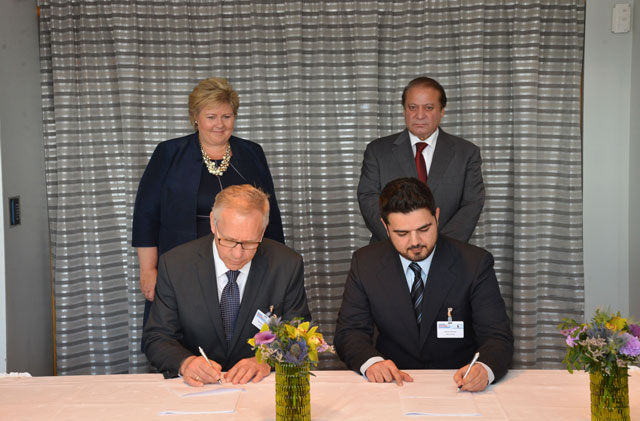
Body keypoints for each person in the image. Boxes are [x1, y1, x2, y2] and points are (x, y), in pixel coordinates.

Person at [132, 77, 285, 328]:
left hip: (243, 262)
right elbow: (146, 216)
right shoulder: (169, 153)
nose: (219, 124)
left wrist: (277, 271)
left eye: (226, 116)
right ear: (195, 117)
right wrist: (148, 270)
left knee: (241, 334)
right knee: (182, 336)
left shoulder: (252, 153)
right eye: (211, 116)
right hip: (184, 267)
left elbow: (271, 216)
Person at [335, 178, 512, 391]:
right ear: (385, 226)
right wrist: (372, 362)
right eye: (402, 233)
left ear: (436, 216)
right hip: (393, 383)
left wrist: (483, 368)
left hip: (457, 384)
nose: (415, 241)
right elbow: (350, 332)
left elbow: (496, 336)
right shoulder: (365, 263)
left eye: (424, 228)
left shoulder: (475, 263)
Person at [143, 185, 310, 385]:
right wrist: (186, 363)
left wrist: (266, 361)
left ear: (263, 230)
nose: (238, 254)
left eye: (249, 243)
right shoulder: (176, 265)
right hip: (197, 391)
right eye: (229, 240)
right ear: (214, 223)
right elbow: (157, 337)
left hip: (258, 387)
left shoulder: (286, 264)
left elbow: (300, 335)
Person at [357, 77, 484, 243]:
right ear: (404, 110)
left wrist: (438, 246)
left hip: (448, 251)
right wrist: (401, 238)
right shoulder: (377, 151)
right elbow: (368, 199)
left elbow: (472, 204)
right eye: (412, 107)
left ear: (442, 110)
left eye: (429, 108)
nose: (419, 115)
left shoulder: (467, 153)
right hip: (390, 250)